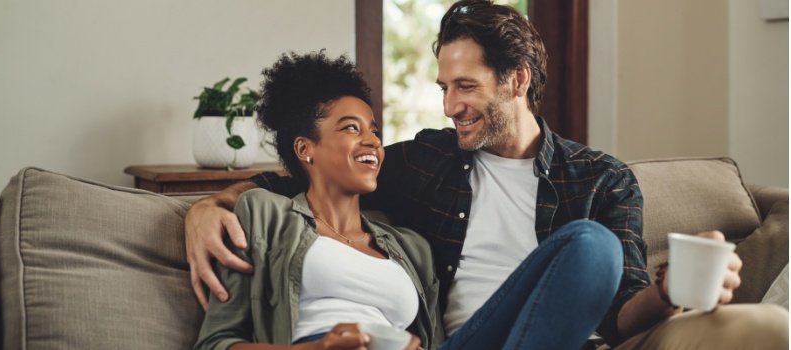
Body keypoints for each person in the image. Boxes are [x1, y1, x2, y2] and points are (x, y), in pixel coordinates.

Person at [187, 1, 788, 349]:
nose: (449, 106)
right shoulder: (427, 158)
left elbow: (621, 311)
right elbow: (302, 178)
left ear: (517, 80)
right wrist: (208, 206)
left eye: (466, 87)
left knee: (590, 246)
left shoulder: (601, 179)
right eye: (445, 88)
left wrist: (669, 291)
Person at [193, 51, 439, 350]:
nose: (374, 140)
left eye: (374, 131)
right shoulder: (263, 214)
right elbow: (215, 343)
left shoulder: (412, 248)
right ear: (304, 148)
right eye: (351, 127)